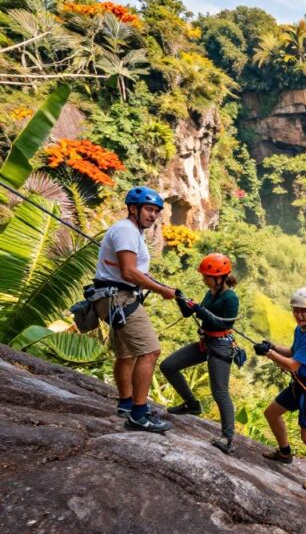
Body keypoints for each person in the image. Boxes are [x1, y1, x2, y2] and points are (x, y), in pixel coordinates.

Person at [93, 186, 177, 433]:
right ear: (133, 208)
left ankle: (126, 404)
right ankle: (139, 414)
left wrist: (160, 285)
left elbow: (132, 270)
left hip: (112, 296)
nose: (153, 216)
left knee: (127, 353)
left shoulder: (130, 232)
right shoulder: (126, 231)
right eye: (149, 210)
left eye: (156, 212)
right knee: (150, 351)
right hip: (120, 297)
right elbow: (129, 272)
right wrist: (162, 291)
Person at [160, 253, 240, 454]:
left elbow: (223, 323)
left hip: (221, 346)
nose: (204, 279)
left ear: (220, 277)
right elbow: (190, 313)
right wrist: (180, 298)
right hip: (206, 342)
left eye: (207, 277)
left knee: (220, 392)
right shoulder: (211, 292)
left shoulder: (230, 297)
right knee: (168, 366)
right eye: (204, 276)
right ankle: (191, 404)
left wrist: (199, 309)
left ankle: (228, 439)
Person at [255, 287, 306, 494]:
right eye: (296, 310)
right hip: (301, 384)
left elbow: (292, 364)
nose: (298, 315)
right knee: (271, 413)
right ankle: (285, 452)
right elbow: (292, 352)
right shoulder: (301, 330)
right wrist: (272, 346)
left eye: (303, 311)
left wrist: (269, 353)